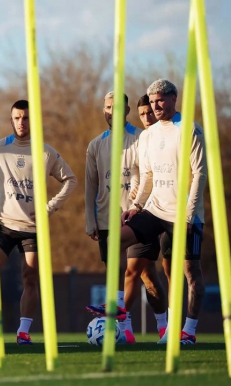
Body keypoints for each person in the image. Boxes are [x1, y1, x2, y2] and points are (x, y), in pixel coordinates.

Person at [0, 99, 77, 346]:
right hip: (2, 225)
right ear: (11, 120)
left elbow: (71, 180)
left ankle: (23, 332)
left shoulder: (46, 152)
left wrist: (49, 208)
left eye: (26, 118)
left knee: (30, 278)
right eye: (17, 118)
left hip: (32, 228)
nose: (22, 122)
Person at [120, 79, 207, 344]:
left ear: (173, 99)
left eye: (160, 100)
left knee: (187, 272)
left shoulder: (190, 128)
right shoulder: (148, 135)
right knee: (116, 239)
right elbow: (147, 175)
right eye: (152, 100)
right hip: (155, 210)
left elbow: (199, 174)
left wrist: (190, 216)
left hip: (184, 215)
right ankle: (117, 310)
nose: (155, 106)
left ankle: (187, 331)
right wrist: (136, 207)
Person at [84, 92, 168, 343]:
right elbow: (91, 185)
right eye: (108, 107)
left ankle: (164, 327)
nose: (112, 111)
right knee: (119, 272)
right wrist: (90, 219)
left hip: (138, 217)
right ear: (104, 109)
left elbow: (150, 174)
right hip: (106, 219)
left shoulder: (142, 138)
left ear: (127, 110)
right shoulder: (95, 144)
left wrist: (139, 198)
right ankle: (126, 332)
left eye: (118, 107)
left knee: (140, 272)